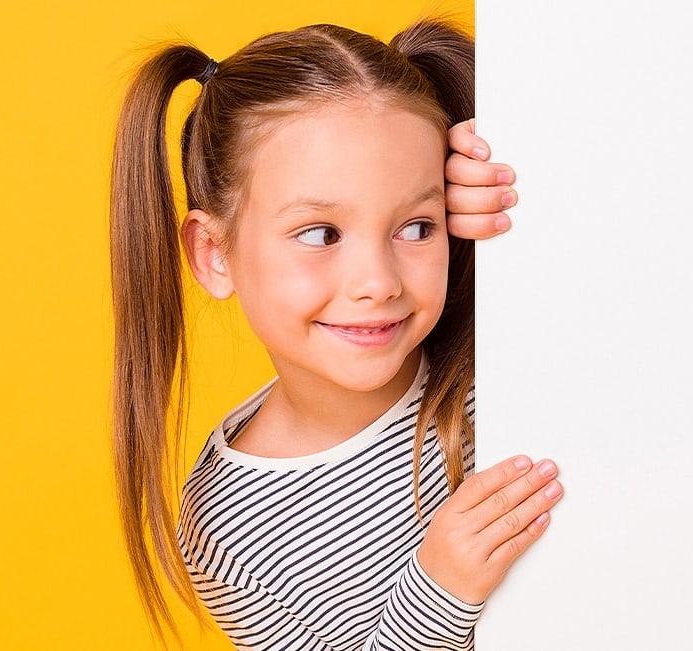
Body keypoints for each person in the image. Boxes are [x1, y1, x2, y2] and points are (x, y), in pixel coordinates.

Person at [110, 18, 563, 650]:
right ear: (214, 254)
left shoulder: (496, 341)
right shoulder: (230, 526)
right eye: (321, 234)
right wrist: (440, 591)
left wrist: (536, 194)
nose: (377, 281)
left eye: (415, 227)